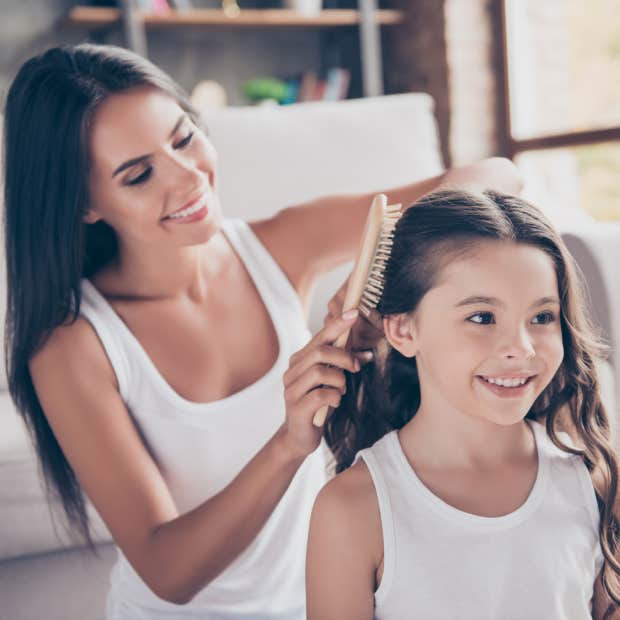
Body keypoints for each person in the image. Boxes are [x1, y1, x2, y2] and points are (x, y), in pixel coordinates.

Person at [3, 43, 522, 619]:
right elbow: (167, 571)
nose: (187, 179)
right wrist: (289, 443)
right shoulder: (74, 342)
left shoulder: (278, 246)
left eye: (183, 139)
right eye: (139, 174)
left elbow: (495, 176)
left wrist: (381, 274)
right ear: (83, 205)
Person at [306, 189, 620, 620]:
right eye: (482, 318)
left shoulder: (592, 480)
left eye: (542, 317)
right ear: (402, 330)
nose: (521, 348)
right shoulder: (353, 511)